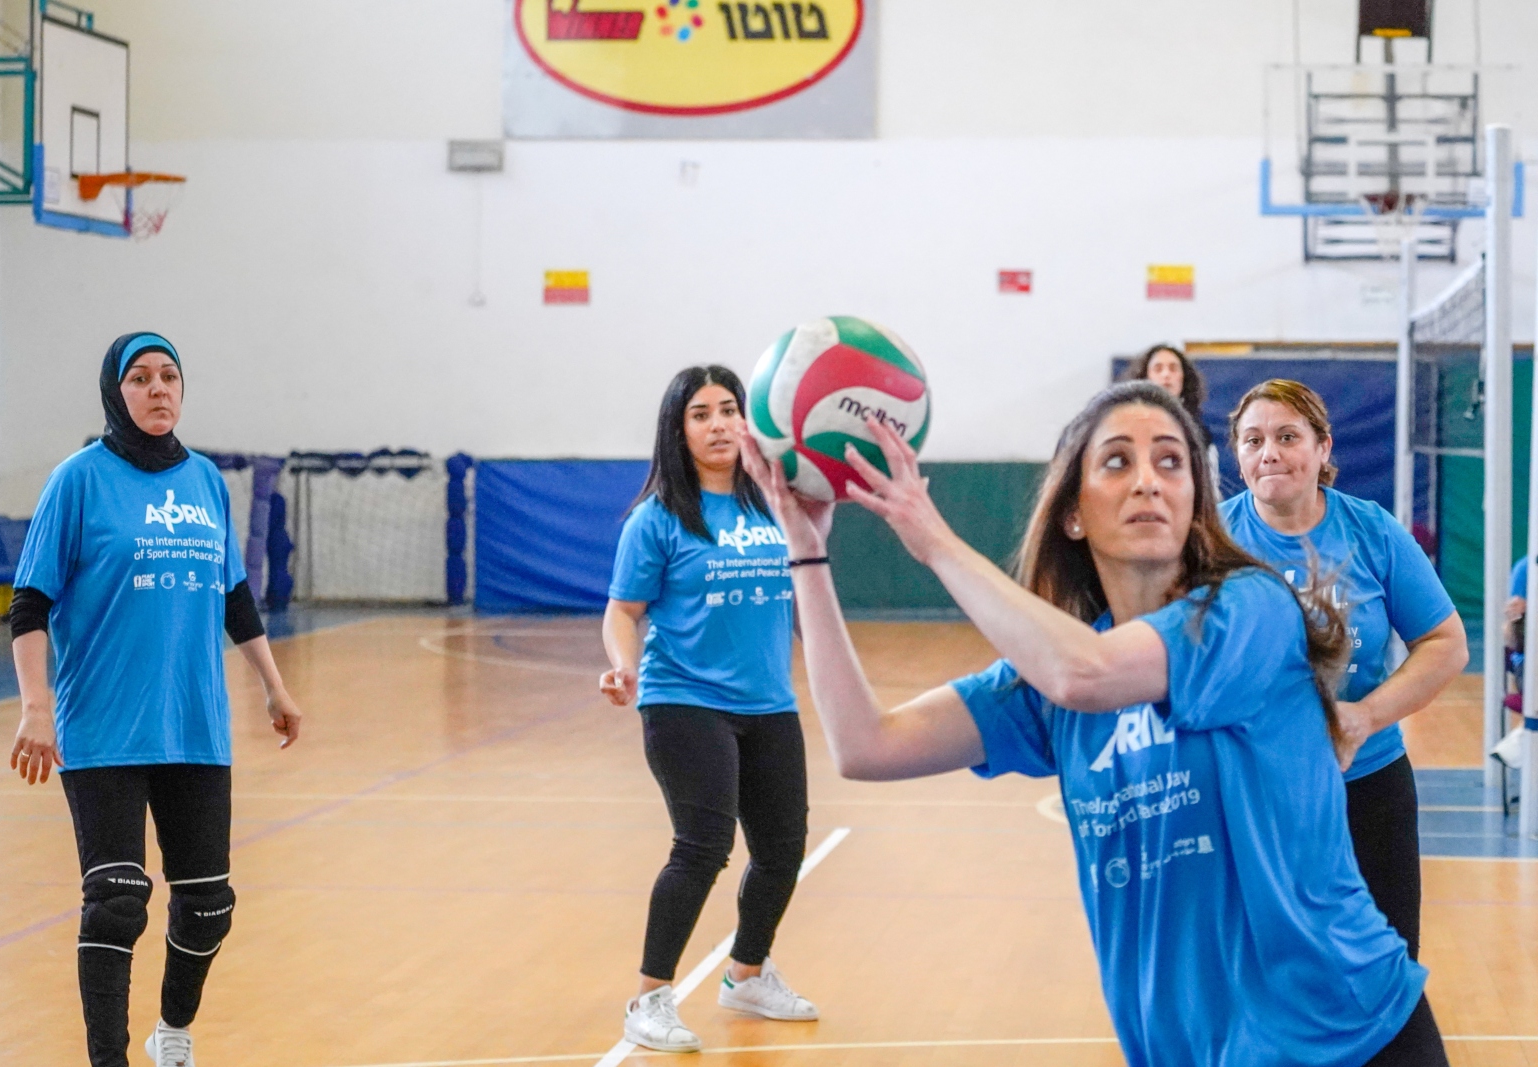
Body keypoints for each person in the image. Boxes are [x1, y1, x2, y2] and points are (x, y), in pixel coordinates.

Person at [738, 380, 1448, 1066]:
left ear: (1197, 501)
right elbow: (866, 744)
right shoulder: (1052, 673)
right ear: (1073, 511)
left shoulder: (1249, 610)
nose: (1148, 479)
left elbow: (1090, 672)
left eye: (1171, 460)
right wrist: (808, 550)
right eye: (1117, 460)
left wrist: (933, 539)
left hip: (1348, 1040)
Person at [8, 332, 304, 1067]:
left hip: (195, 724)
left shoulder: (205, 480)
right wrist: (35, 706)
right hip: (104, 723)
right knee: (116, 898)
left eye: (169, 375)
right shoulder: (78, 480)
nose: (157, 388)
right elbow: (28, 602)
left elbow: (234, 595)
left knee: (209, 905)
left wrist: (274, 683)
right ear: (116, 391)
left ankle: (172, 1030)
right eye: (139, 377)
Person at [600, 365, 816, 1054]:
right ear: (678, 428)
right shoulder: (656, 517)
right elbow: (621, 610)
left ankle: (747, 974)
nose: (719, 423)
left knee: (783, 848)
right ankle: (648, 997)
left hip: (769, 702)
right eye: (701, 413)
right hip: (683, 698)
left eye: (729, 409)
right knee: (703, 847)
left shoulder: (774, 505)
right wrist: (622, 663)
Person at [1221, 379, 1467, 963]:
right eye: (1253, 440)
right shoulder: (1210, 541)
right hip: (1252, 791)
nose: (1269, 453)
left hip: (1368, 783)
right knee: (1264, 966)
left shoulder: (1372, 531)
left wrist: (1362, 719)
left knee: (1385, 960)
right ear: (1237, 454)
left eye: (1287, 436)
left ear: (1323, 448)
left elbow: (1445, 643)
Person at [1120, 343, 1219, 496]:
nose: (1166, 375)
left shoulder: (1199, 432)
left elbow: (1211, 488)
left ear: (1183, 378)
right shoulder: (1125, 426)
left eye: (1173, 368)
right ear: (1145, 376)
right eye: (1158, 369)